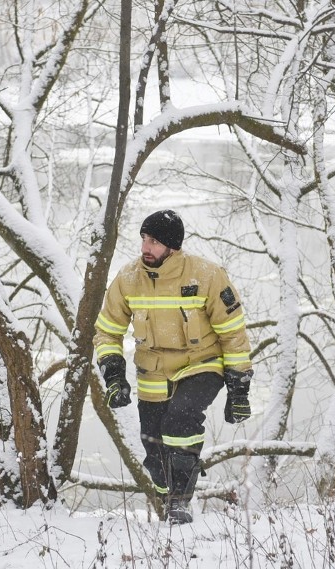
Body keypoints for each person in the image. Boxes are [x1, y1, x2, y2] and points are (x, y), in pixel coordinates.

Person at [93, 209, 254, 524]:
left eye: (153, 241)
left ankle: (180, 501)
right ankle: (168, 494)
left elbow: (233, 331)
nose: (145, 247)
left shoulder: (207, 276)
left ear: (172, 245)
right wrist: (114, 375)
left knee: (180, 419)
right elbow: (107, 331)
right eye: (143, 239)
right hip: (152, 372)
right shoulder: (128, 279)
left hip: (201, 365)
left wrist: (239, 391)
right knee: (154, 452)